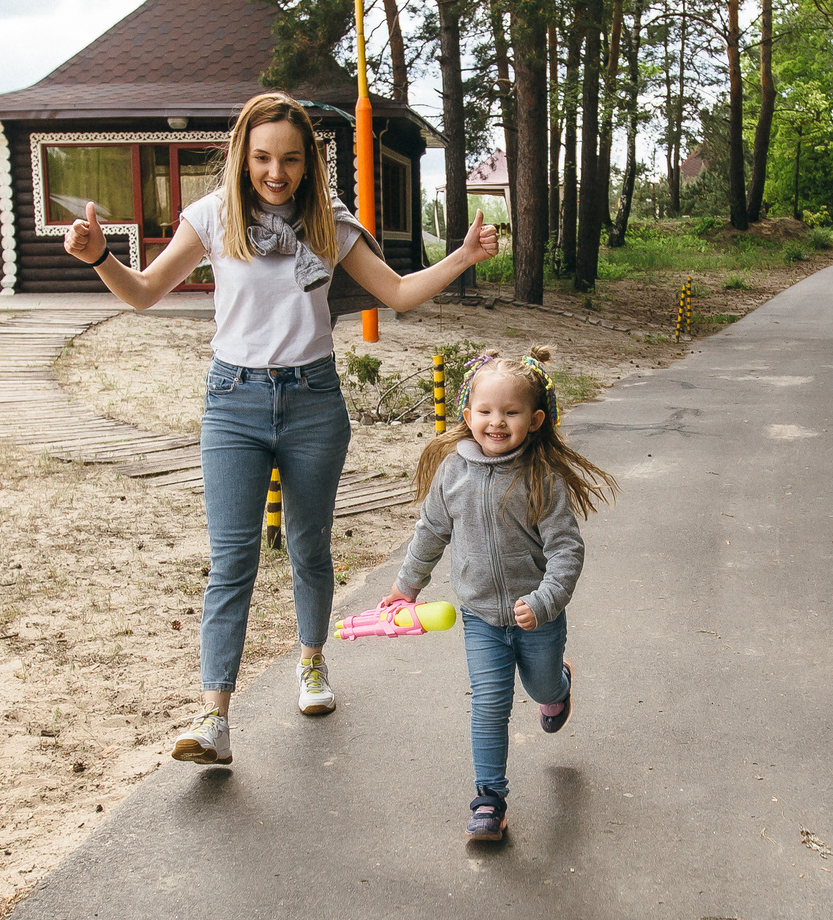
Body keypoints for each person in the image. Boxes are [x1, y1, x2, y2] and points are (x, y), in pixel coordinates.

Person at [61, 92, 499, 767]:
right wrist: (100, 258)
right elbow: (144, 292)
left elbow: (398, 292)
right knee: (232, 560)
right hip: (233, 401)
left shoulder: (329, 222)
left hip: (312, 401)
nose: (276, 172)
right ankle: (214, 717)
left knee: (308, 546)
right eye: (263, 157)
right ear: (243, 156)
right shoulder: (213, 216)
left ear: (308, 164)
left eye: (291, 160)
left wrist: (462, 256)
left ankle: (312, 662)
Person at [389, 346, 614, 841]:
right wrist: (406, 587)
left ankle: (559, 686)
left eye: (510, 412)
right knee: (490, 705)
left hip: (538, 618)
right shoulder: (453, 474)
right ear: (467, 414)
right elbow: (430, 532)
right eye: (485, 411)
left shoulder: (541, 478)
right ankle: (489, 800)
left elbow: (566, 550)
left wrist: (544, 602)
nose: (496, 422)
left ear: (535, 420)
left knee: (541, 689)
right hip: (481, 618)